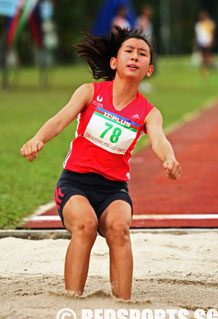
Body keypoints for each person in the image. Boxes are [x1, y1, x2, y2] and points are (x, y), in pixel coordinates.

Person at [20, 26, 182, 300]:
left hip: (113, 191)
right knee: (86, 224)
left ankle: (124, 304)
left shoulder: (149, 112)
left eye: (142, 54)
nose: (135, 56)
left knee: (119, 228)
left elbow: (159, 140)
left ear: (149, 69)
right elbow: (59, 121)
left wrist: (170, 159)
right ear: (114, 62)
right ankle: (72, 301)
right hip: (75, 184)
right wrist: (37, 140)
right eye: (128, 51)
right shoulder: (89, 92)